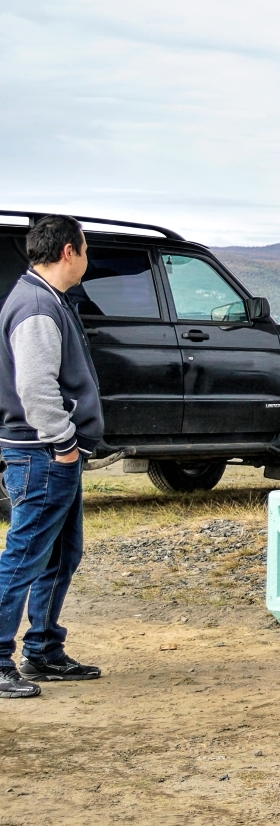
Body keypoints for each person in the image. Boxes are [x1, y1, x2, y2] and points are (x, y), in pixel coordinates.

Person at [0, 215, 104, 699]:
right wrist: (63, 443)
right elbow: (35, 388)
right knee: (23, 558)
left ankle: (41, 650)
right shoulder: (39, 306)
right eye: (85, 248)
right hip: (43, 456)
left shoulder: (47, 299)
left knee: (60, 555)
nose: (87, 257)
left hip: (50, 456)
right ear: (68, 252)